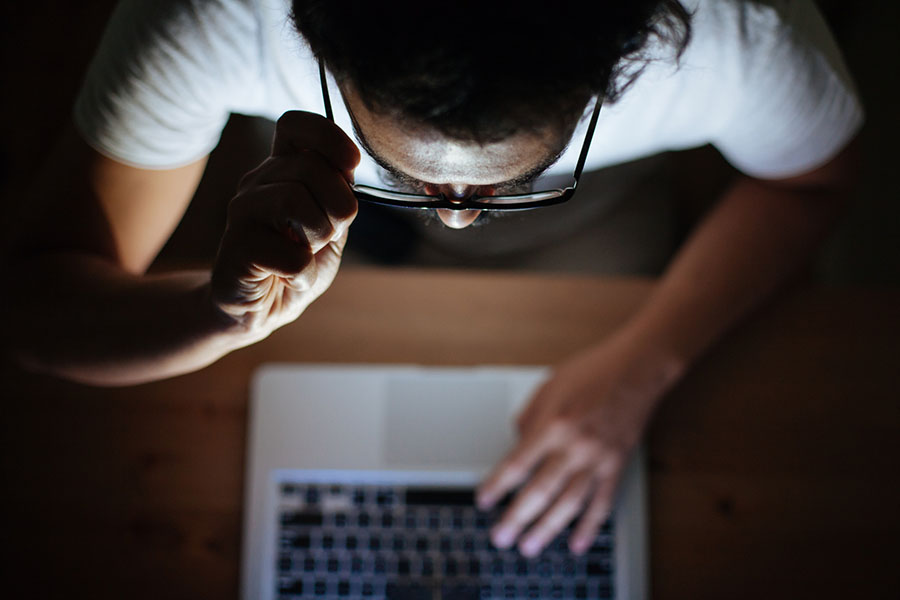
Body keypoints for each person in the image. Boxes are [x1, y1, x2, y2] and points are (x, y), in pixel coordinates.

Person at [2, 0, 862, 558]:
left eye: (508, 179)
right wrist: (215, 316)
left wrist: (644, 364)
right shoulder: (216, 16)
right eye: (404, 167)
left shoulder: (742, 32)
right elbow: (37, 306)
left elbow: (813, 185)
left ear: (622, 67)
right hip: (311, 212)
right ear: (313, 43)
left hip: (595, 233)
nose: (453, 216)